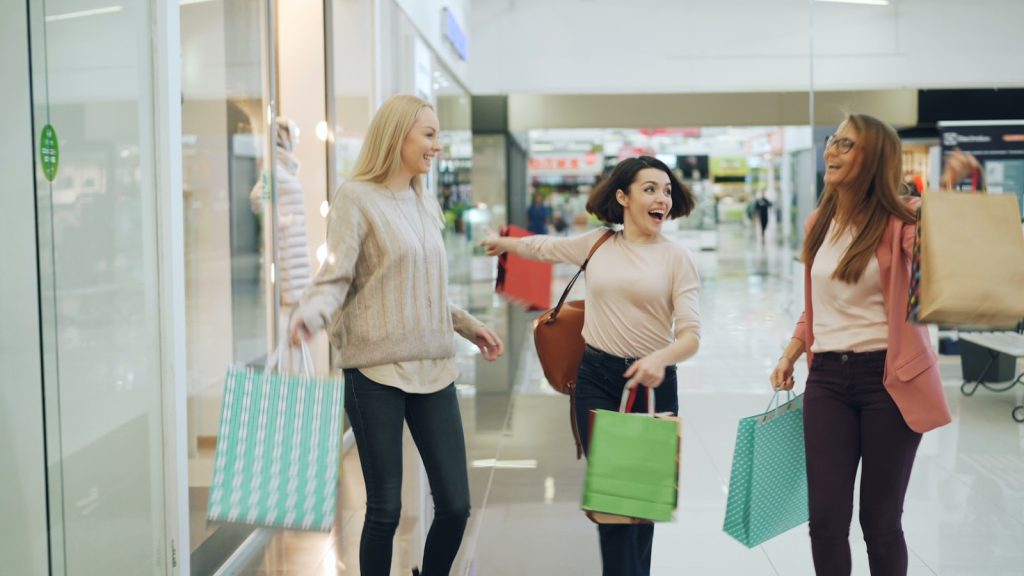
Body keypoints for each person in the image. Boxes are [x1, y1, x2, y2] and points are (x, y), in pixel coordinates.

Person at [288, 94, 505, 576]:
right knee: (385, 509)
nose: (437, 146)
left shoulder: (424, 203)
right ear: (396, 137)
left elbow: (419, 289)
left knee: (455, 505)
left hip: (434, 367)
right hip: (375, 371)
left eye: (438, 136)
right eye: (429, 135)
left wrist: (469, 327)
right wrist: (312, 315)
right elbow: (337, 277)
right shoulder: (356, 198)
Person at [481, 156, 701, 576]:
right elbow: (544, 247)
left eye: (667, 190)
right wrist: (505, 243)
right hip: (597, 380)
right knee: (614, 505)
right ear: (623, 197)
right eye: (650, 189)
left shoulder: (677, 258)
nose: (662, 199)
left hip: (652, 387)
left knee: (642, 509)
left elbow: (691, 335)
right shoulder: (599, 242)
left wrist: (660, 358)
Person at [770, 113, 951, 576]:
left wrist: (944, 200)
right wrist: (792, 350)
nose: (830, 151)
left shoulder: (902, 221)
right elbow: (818, 307)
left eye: (845, 145)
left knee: (880, 521)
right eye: (832, 141)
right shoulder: (819, 222)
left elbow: (940, 266)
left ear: (873, 159)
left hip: (888, 381)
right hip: (827, 379)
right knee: (826, 521)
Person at [249, 116, 313, 307]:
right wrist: (281, 222)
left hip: (296, 251)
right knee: (287, 320)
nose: (295, 140)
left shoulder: (283, 169)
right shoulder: (272, 170)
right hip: (286, 254)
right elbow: (257, 198)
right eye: (293, 135)